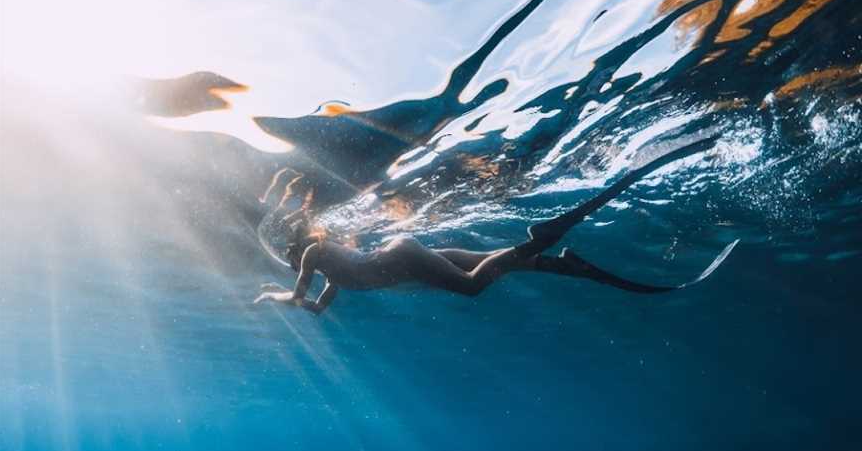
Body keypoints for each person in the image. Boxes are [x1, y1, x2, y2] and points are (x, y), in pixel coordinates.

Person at [253, 137, 737, 315]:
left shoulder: (316, 257)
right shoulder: (332, 272)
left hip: (404, 257)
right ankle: (560, 263)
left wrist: (271, 298)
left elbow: (299, 298)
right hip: (408, 258)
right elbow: (316, 307)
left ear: (292, 247)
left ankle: (543, 238)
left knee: (470, 288)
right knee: (500, 267)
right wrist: (299, 303)